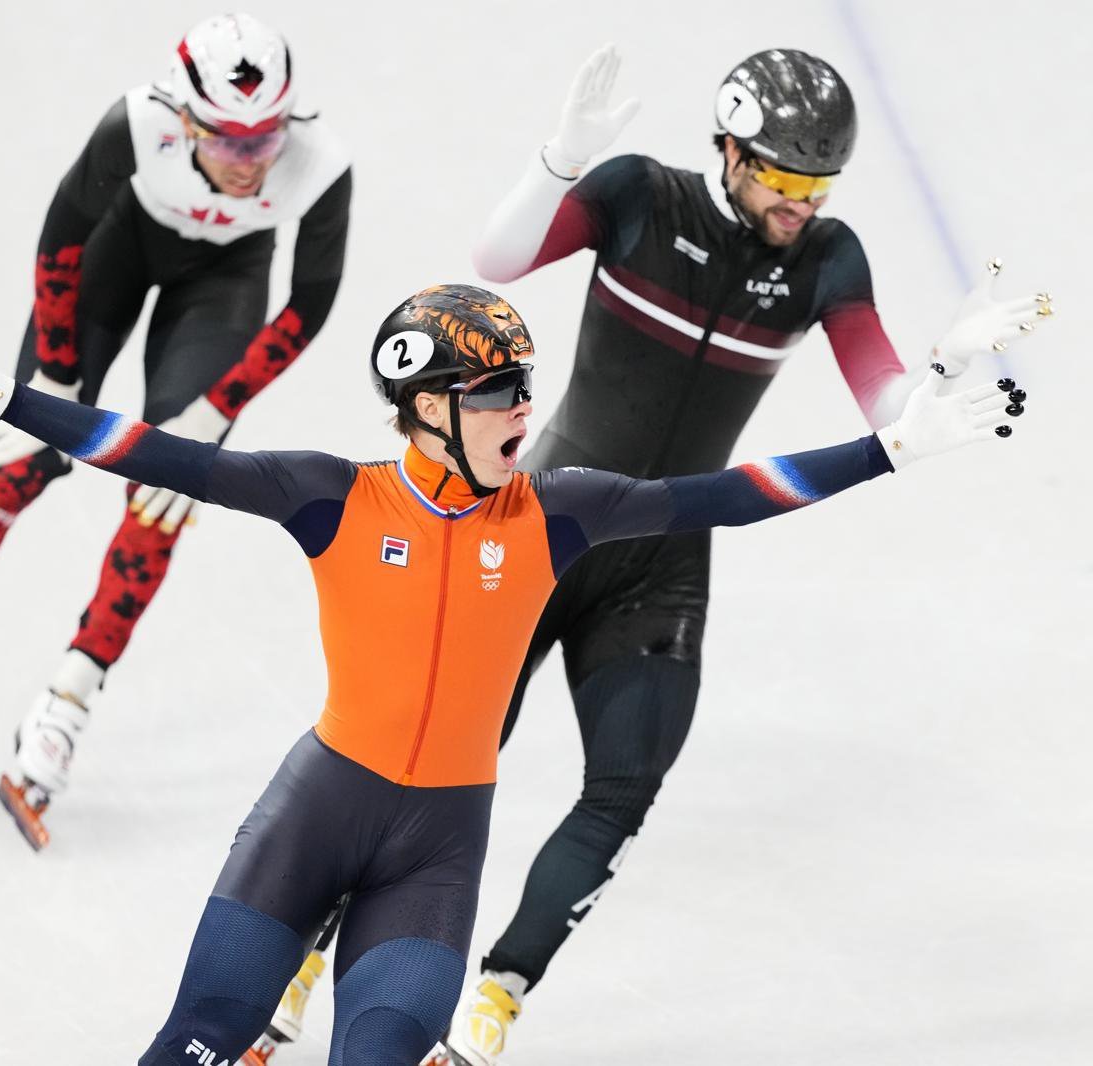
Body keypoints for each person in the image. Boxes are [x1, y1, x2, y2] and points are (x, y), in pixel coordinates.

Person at [0, 277, 1030, 1065]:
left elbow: (728, 498)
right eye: (496, 396)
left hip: (435, 849)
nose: (524, 413)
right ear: (428, 409)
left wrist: (891, 448)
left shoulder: (562, 510)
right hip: (318, 811)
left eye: (525, 389)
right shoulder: (331, 494)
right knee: (201, 1035)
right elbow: (155, 450)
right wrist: (4, 398)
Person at [381, 46, 1049, 1066]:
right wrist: (559, 161)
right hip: (539, 533)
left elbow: (883, 399)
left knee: (622, 789)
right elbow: (497, 258)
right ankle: (309, 960)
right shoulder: (639, 197)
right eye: (783, 177)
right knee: (440, 766)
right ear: (730, 150)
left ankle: (491, 1007)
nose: (800, 202)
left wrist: (937, 376)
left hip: (662, 561)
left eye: (817, 184)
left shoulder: (826, 257)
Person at [0, 12, 352, 850]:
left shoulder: (320, 164)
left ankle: (67, 703)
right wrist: (53, 381)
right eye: (228, 143)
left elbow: (307, 307)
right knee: (16, 465)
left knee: (167, 490)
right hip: (118, 248)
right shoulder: (136, 122)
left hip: (226, 283)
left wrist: (213, 411)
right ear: (184, 118)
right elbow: (61, 247)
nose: (249, 167)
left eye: (265, 143)